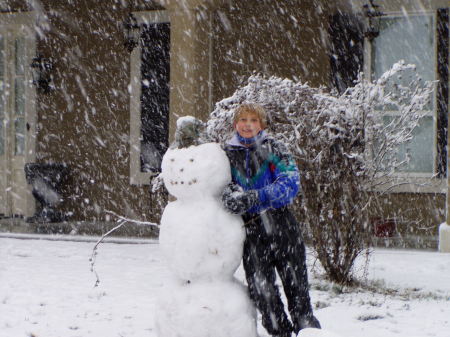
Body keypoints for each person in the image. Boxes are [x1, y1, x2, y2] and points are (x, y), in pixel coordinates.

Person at [221, 103, 321, 337]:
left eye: (253, 120)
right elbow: (217, 183)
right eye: (242, 119)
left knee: (298, 292)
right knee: (263, 293)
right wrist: (228, 196)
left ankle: (307, 331)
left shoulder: (275, 148)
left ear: (262, 124)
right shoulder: (224, 154)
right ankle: (280, 333)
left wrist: (257, 196)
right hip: (251, 232)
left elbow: (289, 184)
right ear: (235, 124)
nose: (247, 125)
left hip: (282, 225)